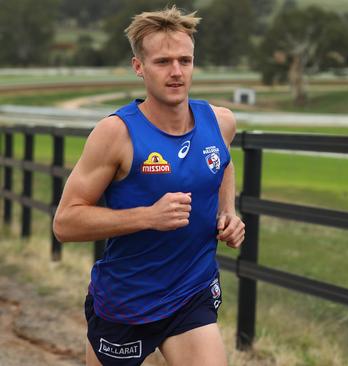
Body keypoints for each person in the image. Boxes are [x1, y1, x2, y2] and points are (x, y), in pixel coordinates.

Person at [53, 6, 244, 366]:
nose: (176, 72)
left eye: (185, 61)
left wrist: (227, 212)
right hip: (127, 302)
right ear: (139, 67)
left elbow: (223, 160)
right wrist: (147, 216)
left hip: (192, 292)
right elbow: (65, 223)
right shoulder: (116, 134)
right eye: (162, 62)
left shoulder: (219, 121)